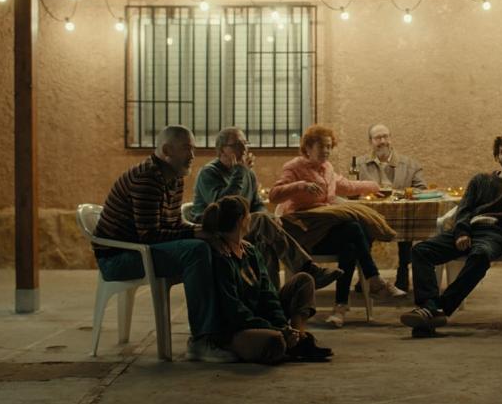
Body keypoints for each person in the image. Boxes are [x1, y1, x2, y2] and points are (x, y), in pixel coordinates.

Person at [93, 125, 234, 363]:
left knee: (214, 244)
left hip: (144, 250)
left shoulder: (174, 177)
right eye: (187, 149)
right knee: (196, 251)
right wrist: (196, 235)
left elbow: (173, 225)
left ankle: (224, 331)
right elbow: (149, 235)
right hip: (118, 259)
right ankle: (201, 341)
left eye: (193, 149)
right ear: (167, 150)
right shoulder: (147, 178)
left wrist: (203, 231)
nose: (192, 156)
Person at [269, 125, 407, 328]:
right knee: (353, 227)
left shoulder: (327, 168)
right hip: (305, 235)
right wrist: (300, 185)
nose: (326, 151)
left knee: (350, 245)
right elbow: (274, 195)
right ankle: (374, 281)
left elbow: (347, 186)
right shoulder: (294, 167)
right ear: (308, 148)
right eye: (321, 146)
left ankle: (340, 307)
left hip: (326, 232)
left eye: (329, 146)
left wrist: (374, 186)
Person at [400, 132, 502, 337]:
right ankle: (429, 308)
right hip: (469, 230)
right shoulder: (480, 180)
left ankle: (437, 308)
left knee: (480, 255)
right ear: (497, 157)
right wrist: (462, 232)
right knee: (421, 251)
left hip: (496, 234)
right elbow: (464, 209)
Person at [190, 127, 342, 290]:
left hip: (241, 227)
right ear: (221, 150)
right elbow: (223, 207)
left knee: (266, 242)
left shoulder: (247, 174)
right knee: (262, 221)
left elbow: (257, 204)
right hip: (215, 228)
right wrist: (240, 172)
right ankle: (307, 268)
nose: (244, 149)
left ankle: (271, 297)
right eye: (237, 145)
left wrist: (269, 218)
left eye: (245, 143)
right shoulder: (209, 173)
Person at [202, 195, 332, 364]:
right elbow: (234, 311)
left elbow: (268, 294)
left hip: (262, 318)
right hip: (239, 327)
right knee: (275, 342)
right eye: (248, 214)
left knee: (304, 280)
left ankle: (297, 338)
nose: (251, 218)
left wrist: (284, 326)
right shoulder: (221, 258)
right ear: (241, 220)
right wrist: (277, 329)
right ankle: (285, 342)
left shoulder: (250, 251)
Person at [357, 123, 428, 291]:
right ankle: (367, 276)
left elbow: (422, 189)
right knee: (360, 231)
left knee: (409, 225)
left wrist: (402, 194)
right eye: (377, 138)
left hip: (402, 215)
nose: (382, 141)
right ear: (370, 141)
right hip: (371, 215)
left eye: (385, 136)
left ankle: (403, 271)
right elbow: (352, 190)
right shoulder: (359, 164)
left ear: (391, 138)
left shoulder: (411, 164)